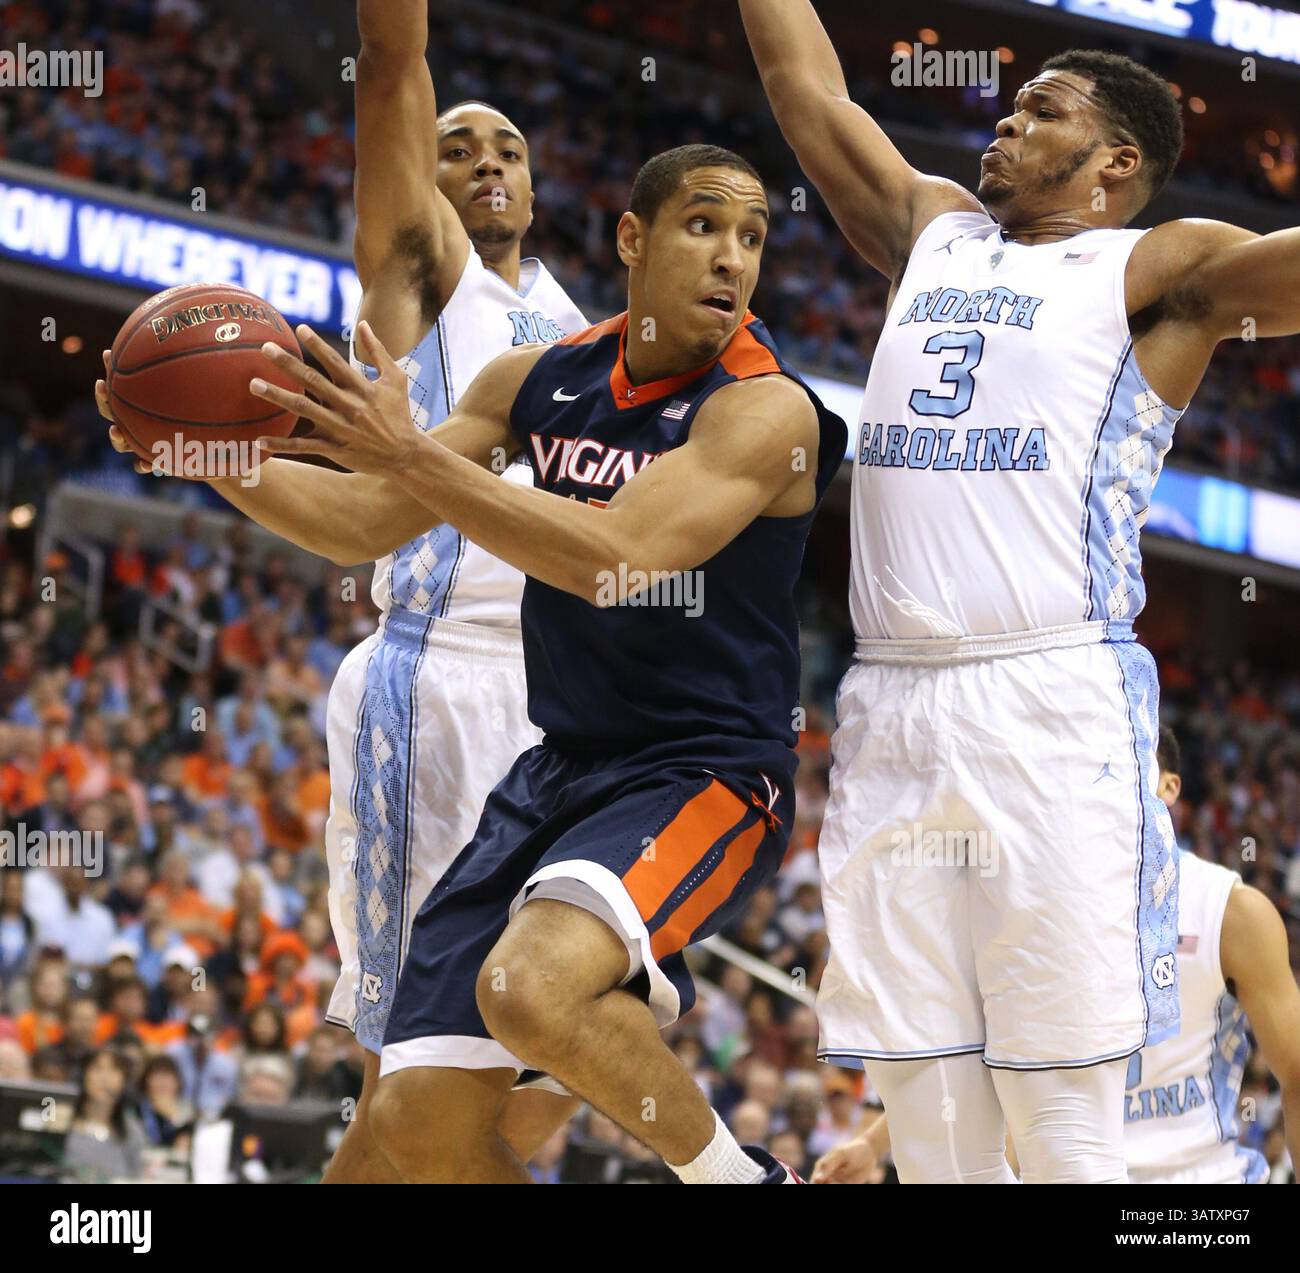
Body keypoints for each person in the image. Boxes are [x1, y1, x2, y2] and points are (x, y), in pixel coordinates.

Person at [739, 0, 1300, 1182]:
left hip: (1049, 694)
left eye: (1042, 108)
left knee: (1060, 1120)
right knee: (934, 1116)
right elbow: (807, 96)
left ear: (1115, 164)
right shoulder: (930, 228)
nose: (1005, 116)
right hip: (890, 697)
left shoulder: (1157, 268)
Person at [250, 142, 847, 1182]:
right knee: (413, 1124)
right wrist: (209, 457)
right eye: (705, 226)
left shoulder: (767, 408)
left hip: (697, 771)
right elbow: (365, 523)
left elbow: (617, 561)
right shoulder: (538, 379)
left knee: (527, 989)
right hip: (554, 769)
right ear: (633, 237)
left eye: (752, 237)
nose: (732, 259)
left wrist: (412, 454)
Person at [94, 0, 587, 1181]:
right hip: (432, 685)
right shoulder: (422, 283)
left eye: (507, 147)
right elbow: (392, 72)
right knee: (417, 1070)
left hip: (562, 705)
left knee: (553, 1070)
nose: (483, 162)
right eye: (457, 145)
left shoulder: (576, 328)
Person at [1125, 728, 1298, 1183]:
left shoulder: (1231, 911)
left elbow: (1297, 1074)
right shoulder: (1031, 909)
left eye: (1127, 758)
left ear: (1169, 786)